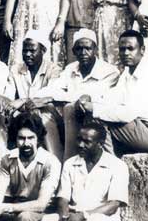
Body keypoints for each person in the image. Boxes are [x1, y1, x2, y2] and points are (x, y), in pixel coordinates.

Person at [77, 30, 148, 155]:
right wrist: (90, 98)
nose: (126, 53)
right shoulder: (128, 72)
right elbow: (113, 97)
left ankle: (108, 163)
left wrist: (94, 108)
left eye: (130, 48)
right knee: (90, 113)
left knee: (97, 118)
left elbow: (128, 113)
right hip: (139, 127)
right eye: (122, 49)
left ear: (142, 50)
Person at [50, 29, 122, 159]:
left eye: (88, 48)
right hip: (75, 115)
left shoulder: (110, 71)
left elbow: (98, 95)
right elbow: (54, 89)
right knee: (60, 108)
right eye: (79, 49)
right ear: (73, 51)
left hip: (101, 117)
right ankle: (68, 161)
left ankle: (75, 159)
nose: (83, 53)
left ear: (95, 50)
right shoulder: (70, 69)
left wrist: (74, 98)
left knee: (71, 107)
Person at [0, 30, 66, 160]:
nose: (28, 54)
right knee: (1, 111)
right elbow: (9, 96)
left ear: (43, 51)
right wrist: (3, 100)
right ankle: (2, 157)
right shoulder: (16, 69)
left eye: (32, 51)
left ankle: (55, 159)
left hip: (46, 114)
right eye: (25, 51)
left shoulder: (53, 69)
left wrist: (23, 100)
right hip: (22, 113)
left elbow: (51, 93)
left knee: (43, 115)